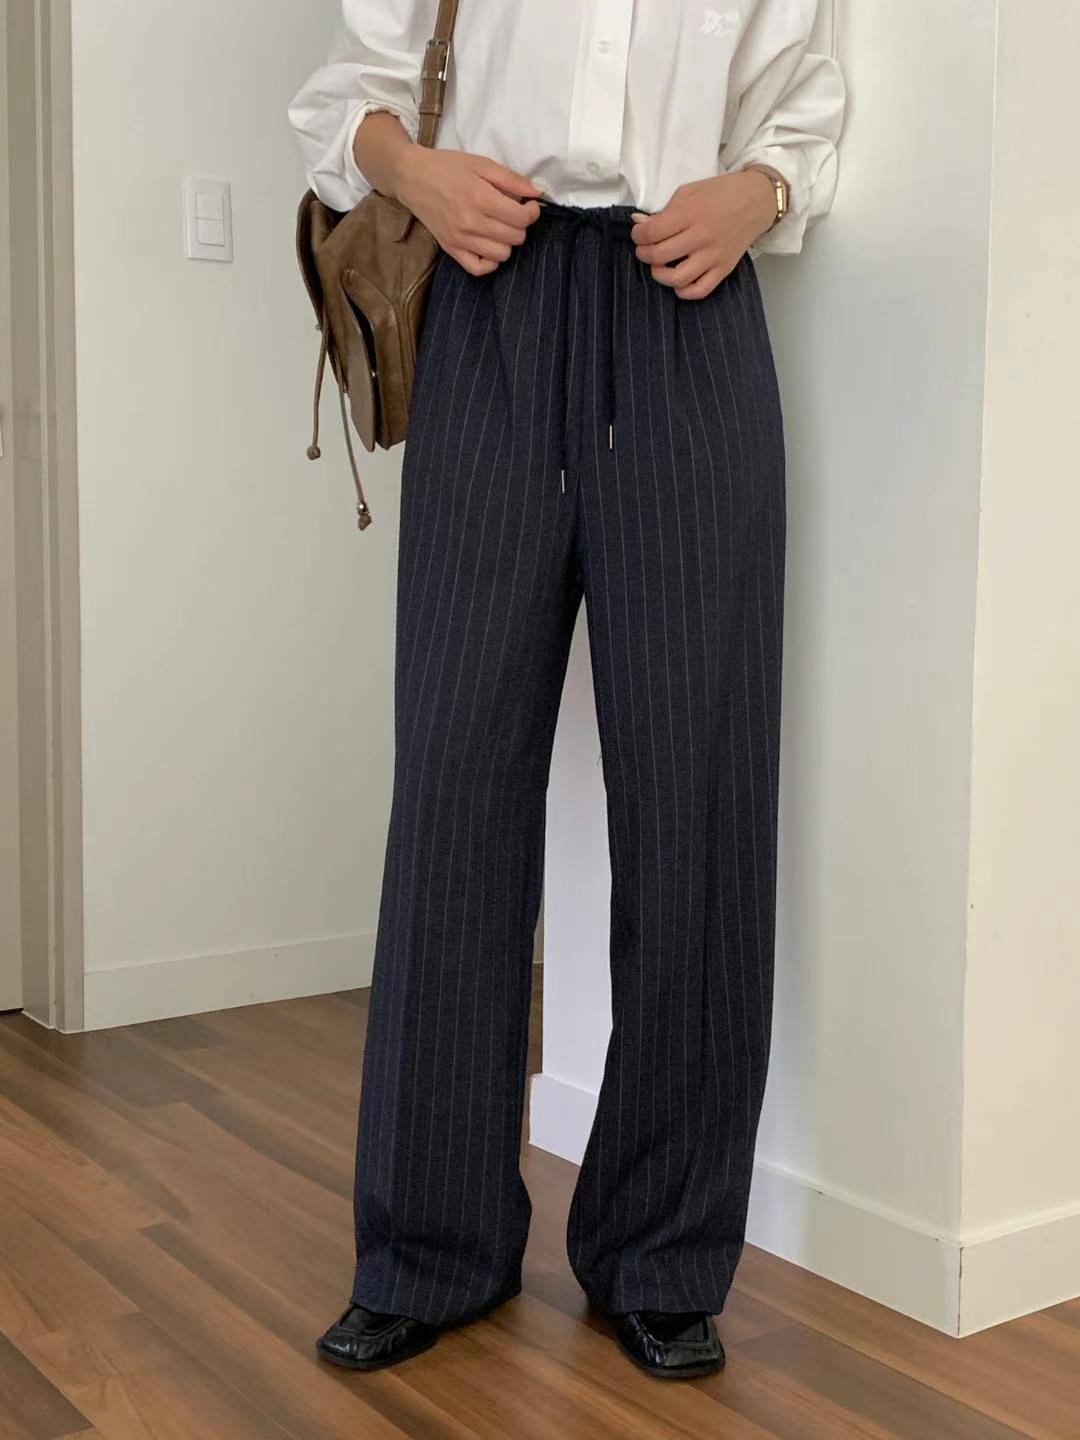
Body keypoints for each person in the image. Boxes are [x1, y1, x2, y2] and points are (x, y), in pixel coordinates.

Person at [288, 0, 845, 1381]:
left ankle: (662, 1255)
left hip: (690, 319)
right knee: (454, 789)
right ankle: (429, 1248)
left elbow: (805, 107)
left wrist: (758, 194)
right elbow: (343, 97)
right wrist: (422, 175)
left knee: (699, 797)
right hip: (492, 307)